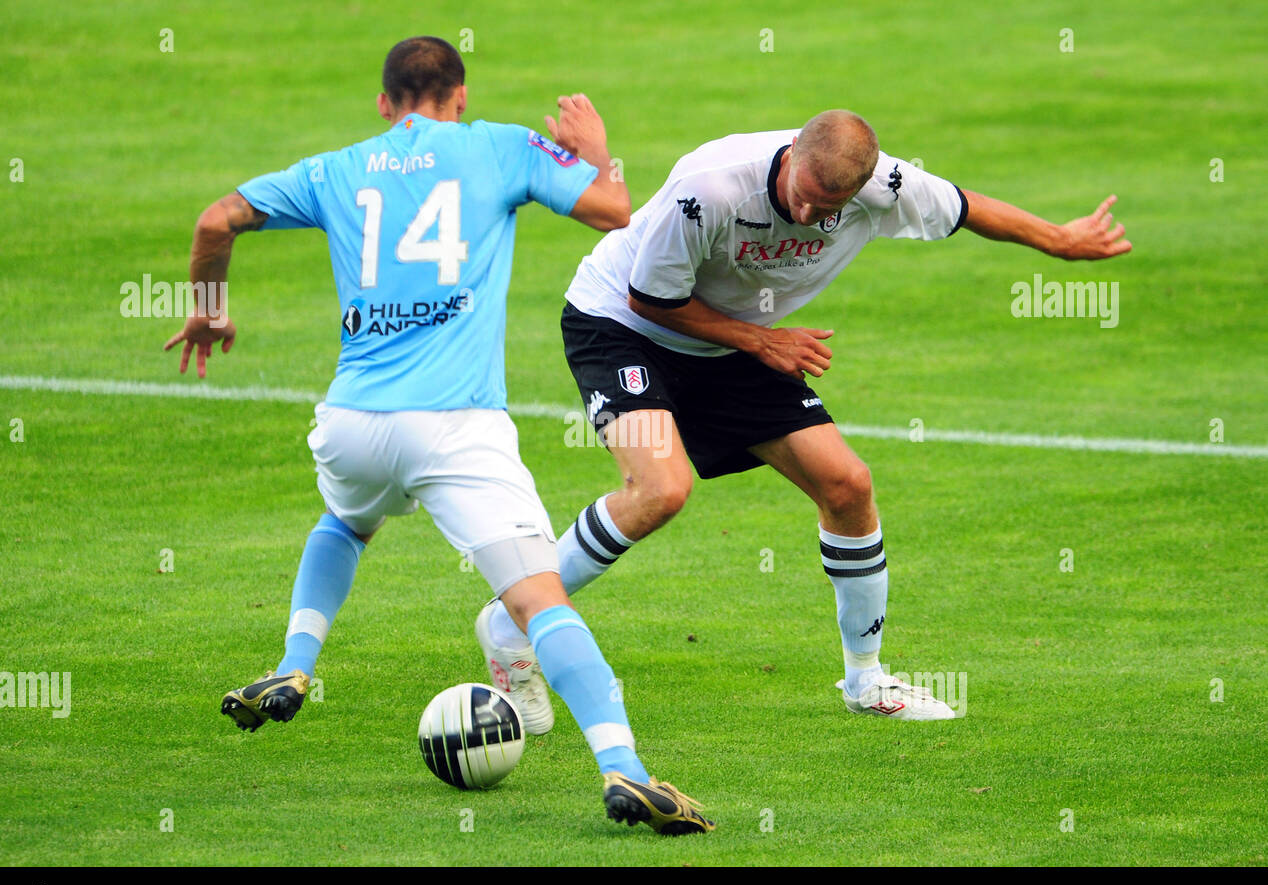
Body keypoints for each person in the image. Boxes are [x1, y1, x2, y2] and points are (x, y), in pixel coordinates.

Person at [163, 36, 712, 835]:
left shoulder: (336, 167)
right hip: (457, 427)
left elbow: (218, 219)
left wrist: (209, 310)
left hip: (352, 423)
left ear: (385, 104)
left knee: (348, 520)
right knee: (537, 600)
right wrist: (599, 154)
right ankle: (623, 769)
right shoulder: (494, 146)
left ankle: (293, 666)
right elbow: (613, 212)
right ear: (459, 97)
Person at [476, 109, 1132, 724]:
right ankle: (511, 624)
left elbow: (966, 208)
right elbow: (648, 298)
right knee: (661, 489)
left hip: (730, 339)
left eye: (829, 208)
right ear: (791, 156)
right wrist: (764, 341)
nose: (809, 213)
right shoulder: (709, 186)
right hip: (620, 325)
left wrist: (1060, 241)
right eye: (803, 194)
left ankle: (866, 680)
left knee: (848, 485)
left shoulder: (886, 185)